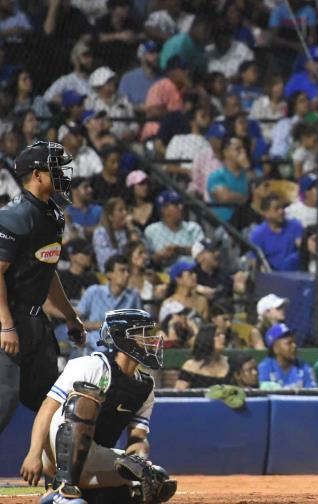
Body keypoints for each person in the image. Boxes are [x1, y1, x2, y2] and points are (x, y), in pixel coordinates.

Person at [20, 309, 176, 504]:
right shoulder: (91, 365)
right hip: (56, 452)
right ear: (123, 338)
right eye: (143, 333)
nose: (152, 340)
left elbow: (138, 438)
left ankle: (58, 497)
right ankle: (64, 489)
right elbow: (47, 409)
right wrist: (33, 453)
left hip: (94, 454)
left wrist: (138, 464)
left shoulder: (145, 387)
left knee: (156, 479)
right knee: (86, 398)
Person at [0, 141, 86, 436]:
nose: (63, 173)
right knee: (4, 401)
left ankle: (60, 474)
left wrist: (70, 316)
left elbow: (47, 270)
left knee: (52, 401)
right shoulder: (14, 217)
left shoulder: (54, 215)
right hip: (10, 321)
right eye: (56, 168)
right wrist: (6, 325)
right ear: (37, 175)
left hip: (37, 324)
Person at [77, 255, 141, 354]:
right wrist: (102, 325)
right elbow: (77, 321)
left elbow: (138, 326)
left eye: (128, 271)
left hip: (121, 347)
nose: (127, 274)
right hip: (93, 346)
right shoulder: (94, 291)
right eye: (122, 270)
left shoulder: (134, 296)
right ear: (109, 274)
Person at [144, 191, 206, 266]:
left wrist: (179, 250)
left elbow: (204, 252)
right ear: (164, 209)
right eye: (176, 205)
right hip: (164, 275)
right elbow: (145, 260)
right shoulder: (151, 231)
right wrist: (159, 257)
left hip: (194, 273)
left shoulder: (193, 227)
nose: (181, 207)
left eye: (180, 204)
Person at [250, 196, 303, 271]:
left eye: (282, 208)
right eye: (276, 209)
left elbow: (302, 249)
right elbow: (255, 263)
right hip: (273, 276)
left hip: (295, 274)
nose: (281, 211)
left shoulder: (295, 226)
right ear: (266, 213)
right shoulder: (258, 234)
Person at [257, 323, 316, 389]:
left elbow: (312, 394)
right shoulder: (265, 367)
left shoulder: (304, 367)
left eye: (294, 342)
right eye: (289, 343)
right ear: (275, 348)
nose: (294, 346)